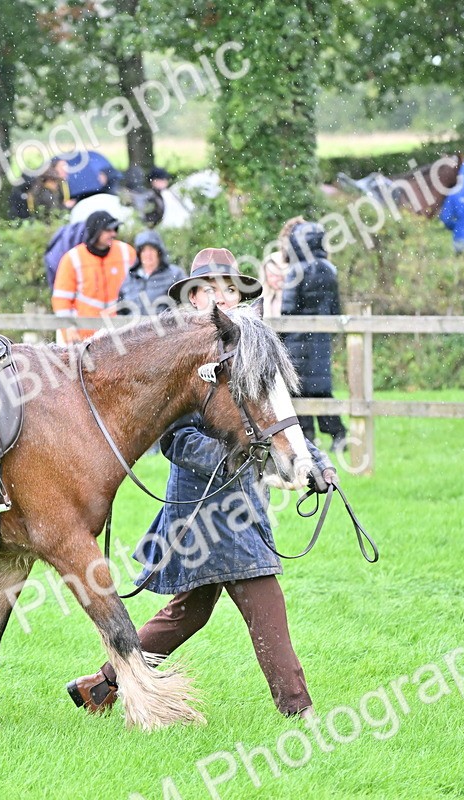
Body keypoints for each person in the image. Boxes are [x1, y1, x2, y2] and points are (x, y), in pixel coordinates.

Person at [66, 247, 338, 719]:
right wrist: (237, 458)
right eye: (207, 290)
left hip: (242, 503)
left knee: (190, 610)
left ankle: (103, 686)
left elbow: (276, 417)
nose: (220, 298)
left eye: (228, 289)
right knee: (264, 599)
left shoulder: (250, 348)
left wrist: (314, 461)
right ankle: (299, 711)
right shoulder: (177, 361)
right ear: (191, 298)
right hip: (201, 507)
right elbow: (174, 440)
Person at [281, 219, 347, 453]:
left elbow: (287, 311)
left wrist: (278, 336)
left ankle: (307, 437)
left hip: (296, 340)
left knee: (298, 388)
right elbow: (335, 309)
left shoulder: (296, 272)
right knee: (320, 387)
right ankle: (338, 433)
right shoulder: (329, 269)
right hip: (320, 340)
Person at [51, 210, 136, 342]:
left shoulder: (126, 252)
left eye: (115, 229)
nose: (113, 234)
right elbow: (62, 299)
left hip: (119, 333)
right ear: (96, 231)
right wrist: (68, 328)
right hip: (83, 336)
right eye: (108, 230)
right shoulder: (73, 258)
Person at [116, 230, 184, 316]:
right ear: (139, 254)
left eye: (151, 249)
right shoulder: (130, 278)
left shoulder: (175, 274)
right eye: (143, 250)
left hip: (162, 328)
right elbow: (120, 310)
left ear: (159, 252)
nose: (148, 254)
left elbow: (186, 304)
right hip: (133, 328)